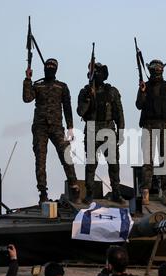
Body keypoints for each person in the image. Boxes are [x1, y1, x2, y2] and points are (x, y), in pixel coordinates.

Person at [23, 58, 80, 204]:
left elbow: (67, 106)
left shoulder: (61, 87)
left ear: (56, 69)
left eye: (52, 66)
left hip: (56, 127)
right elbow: (27, 98)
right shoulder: (38, 86)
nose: (49, 68)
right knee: (40, 159)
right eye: (47, 66)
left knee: (65, 154)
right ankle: (43, 192)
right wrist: (28, 79)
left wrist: (70, 127)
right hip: (40, 127)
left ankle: (74, 186)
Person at [77, 63, 125, 204]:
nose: (96, 76)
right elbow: (80, 112)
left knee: (114, 163)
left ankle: (116, 193)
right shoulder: (85, 91)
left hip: (108, 128)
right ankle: (90, 193)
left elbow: (119, 112)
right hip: (92, 128)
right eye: (93, 73)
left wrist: (121, 131)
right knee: (91, 164)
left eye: (98, 73)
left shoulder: (112, 91)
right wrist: (88, 98)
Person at [136, 59, 166, 206]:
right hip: (148, 125)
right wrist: (142, 92)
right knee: (147, 160)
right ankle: (145, 192)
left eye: (159, 69)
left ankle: (165, 193)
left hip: (165, 125)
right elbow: (139, 105)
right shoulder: (145, 86)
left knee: (164, 160)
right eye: (154, 69)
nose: (157, 71)